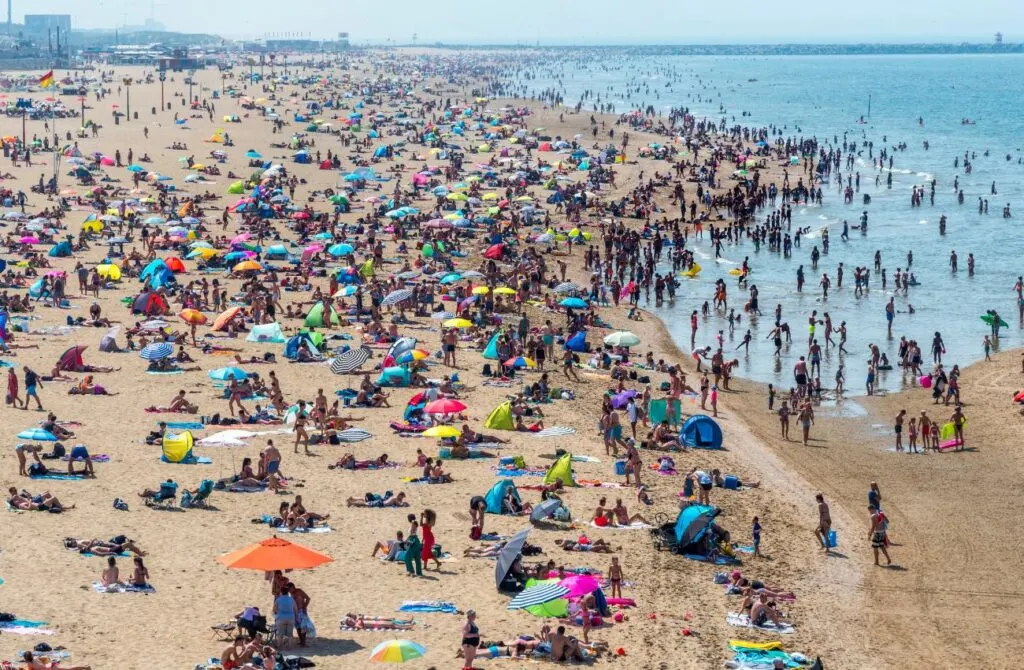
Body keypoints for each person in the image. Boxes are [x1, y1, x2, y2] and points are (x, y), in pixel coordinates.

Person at [273, 583, 297, 647]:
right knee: (290, 634)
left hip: (281, 618)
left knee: (280, 634)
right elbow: (295, 609)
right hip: (291, 618)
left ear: (281, 592)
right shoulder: (291, 599)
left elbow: (274, 610)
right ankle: (290, 647)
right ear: (287, 592)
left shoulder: (278, 600)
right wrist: (296, 617)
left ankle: (279, 646)